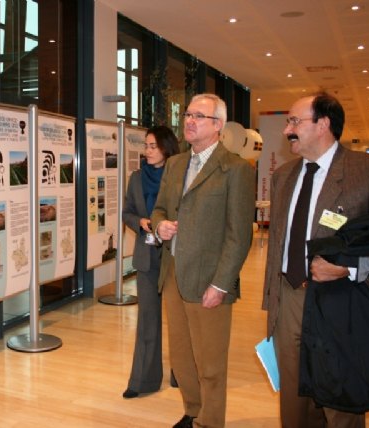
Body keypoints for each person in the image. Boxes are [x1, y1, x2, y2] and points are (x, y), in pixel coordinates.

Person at [262, 92, 369, 428]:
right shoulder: (284, 177)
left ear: (323, 124)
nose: (286, 130)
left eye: (295, 121)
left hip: (343, 302)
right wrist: (272, 302)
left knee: (341, 400)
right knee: (294, 401)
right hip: (290, 298)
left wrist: (348, 269)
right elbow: (279, 241)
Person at [152, 93, 255, 428]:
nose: (189, 121)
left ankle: (211, 422)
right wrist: (159, 225)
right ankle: (193, 410)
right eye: (187, 115)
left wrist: (221, 284)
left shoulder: (236, 169)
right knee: (182, 358)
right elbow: (159, 210)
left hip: (209, 281)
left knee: (210, 363)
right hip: (173, 276)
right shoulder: (175, 164)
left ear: (218, 126)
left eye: (199, 116)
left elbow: (239, 235)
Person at [121, 125, 180, 399]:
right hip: (146, 257)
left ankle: (182, 373)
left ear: (167, 148)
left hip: (176, 256)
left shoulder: (180, 176)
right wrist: (141, 222)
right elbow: (127, 212)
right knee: (147, 318)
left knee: (180, 320)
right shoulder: (135, 178)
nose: (147, 151)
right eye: (146, 146)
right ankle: (143, 380)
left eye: (153, 146)